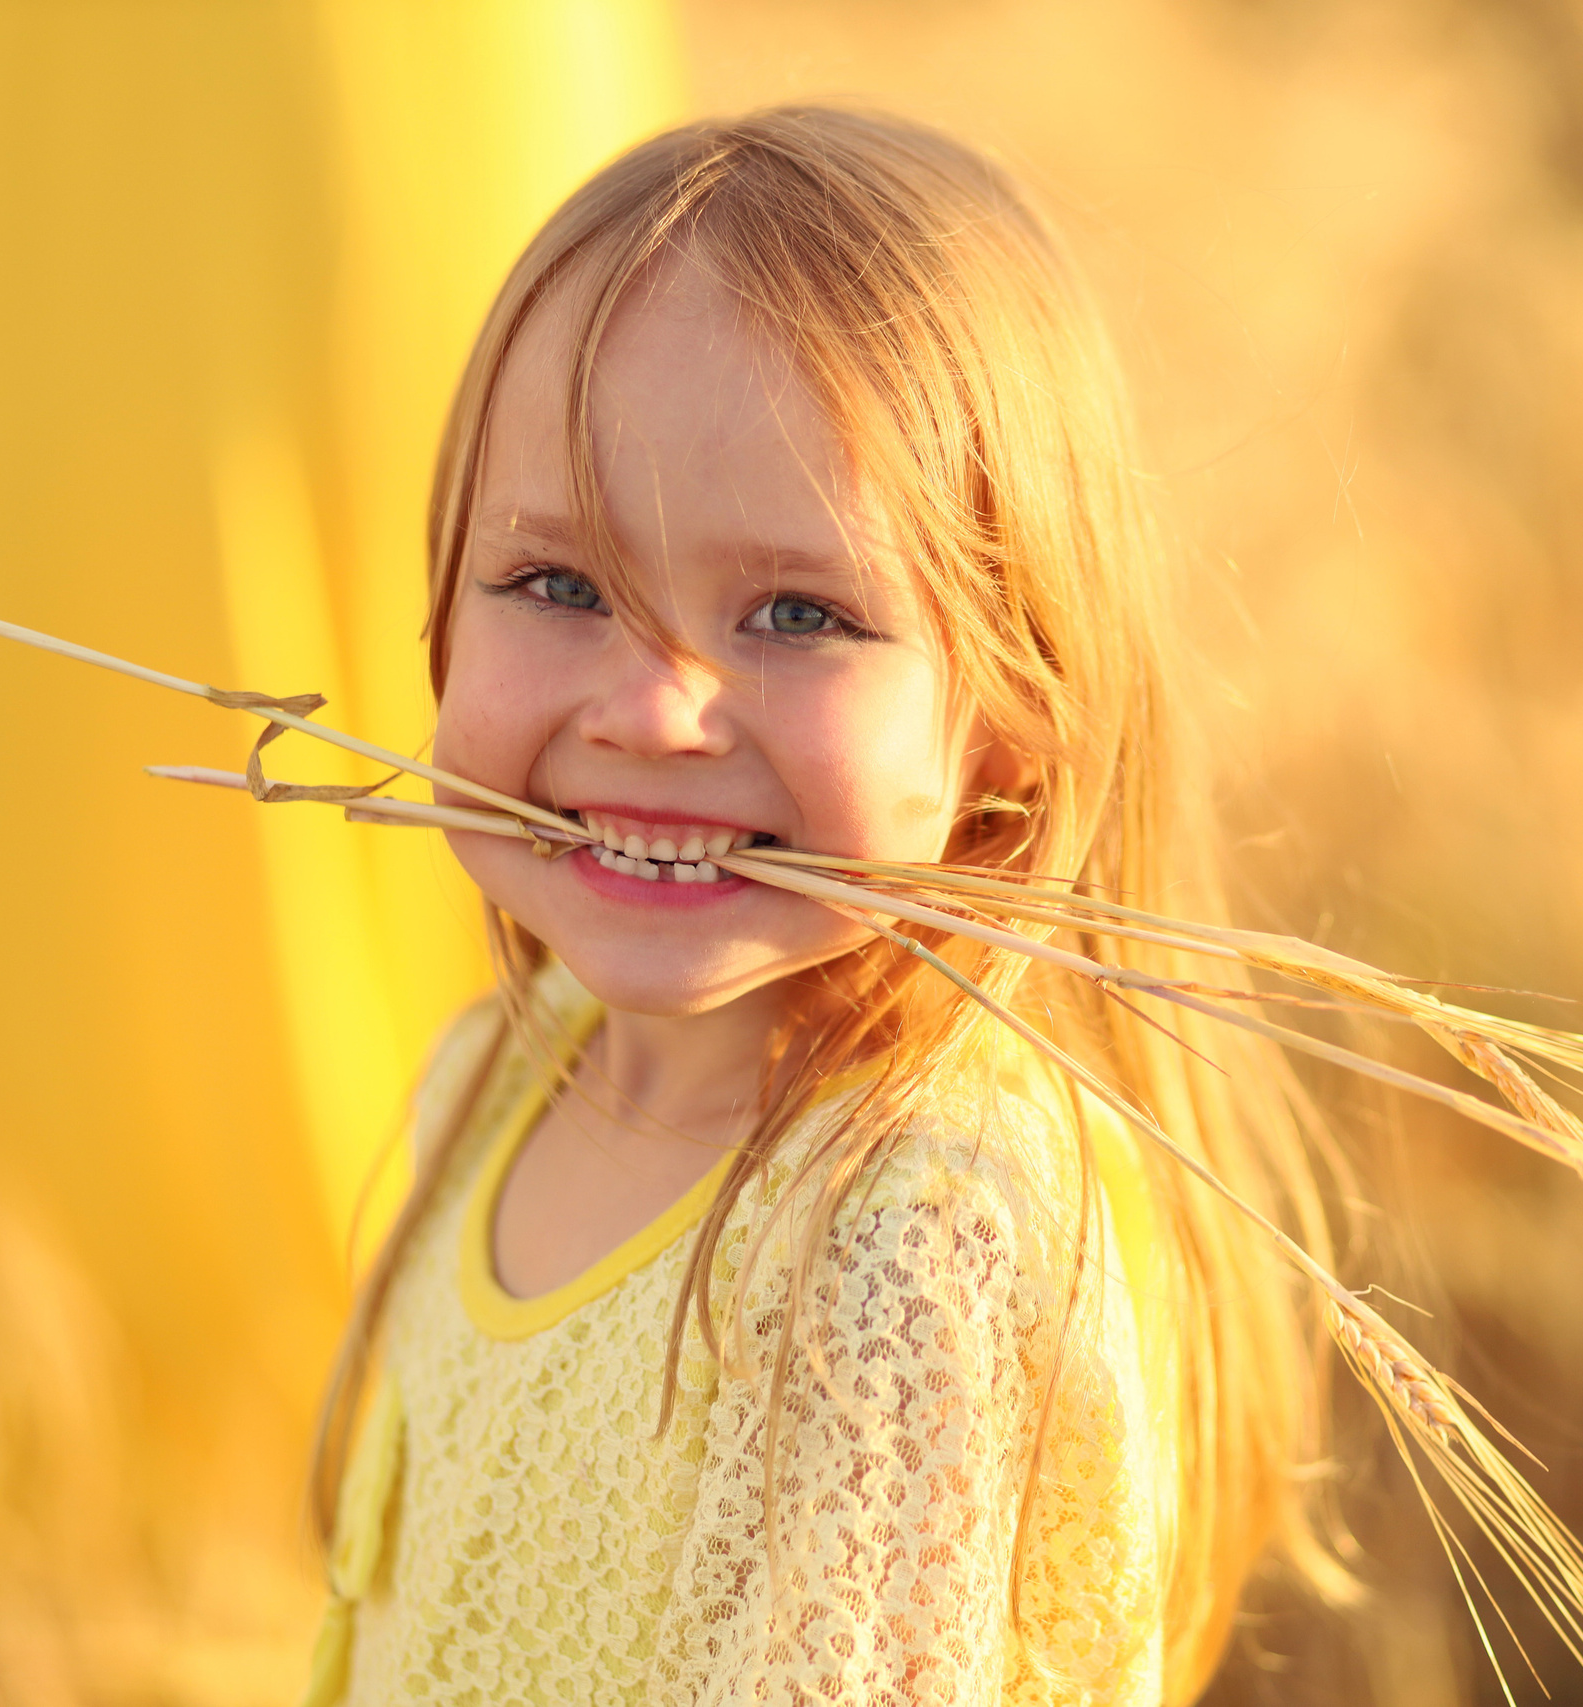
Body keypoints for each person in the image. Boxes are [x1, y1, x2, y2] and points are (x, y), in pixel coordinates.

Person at [296, 106, 1350, 1706]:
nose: (654, 712)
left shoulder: (914, 1239)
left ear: (1010, 722)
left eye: (797, 615)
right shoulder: (494, 1076)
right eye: (559, 586)